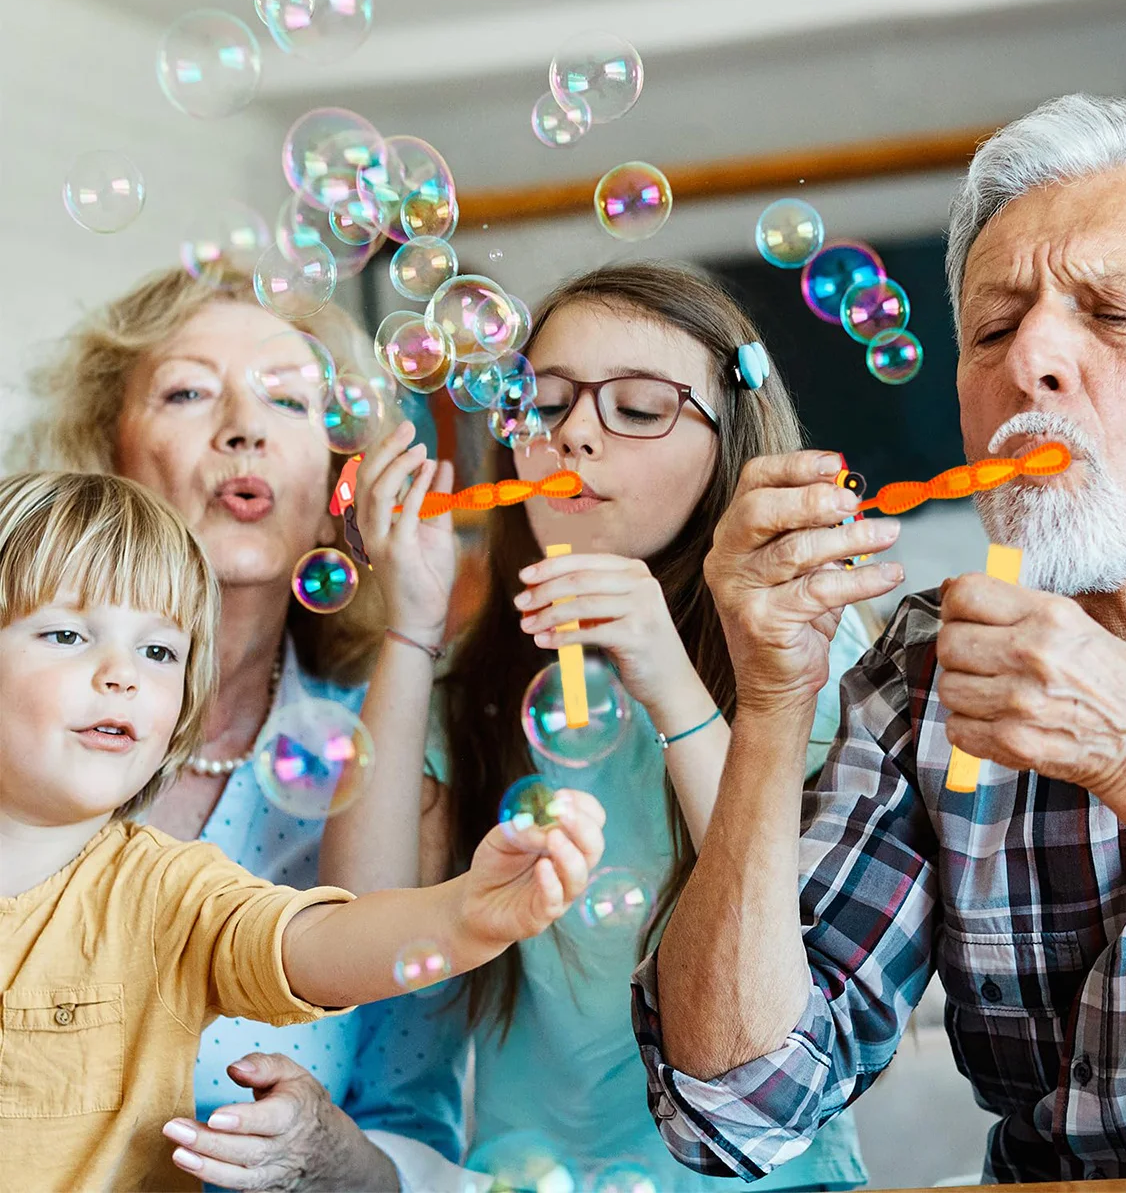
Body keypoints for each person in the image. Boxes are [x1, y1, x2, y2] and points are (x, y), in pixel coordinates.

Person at [635, 92, 1126, 1184]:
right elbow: (735, 1106)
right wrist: (770, 698)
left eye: (1115, 313)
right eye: (992, 329)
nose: (1030, 356)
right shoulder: (923, 668)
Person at [321, 263, 873, 1191]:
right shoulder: (478, 678)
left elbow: (810, 933)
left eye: (641, 409)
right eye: (539, 402)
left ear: (730, 446)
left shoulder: (804, 639)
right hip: (529, 1175)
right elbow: (357, 929)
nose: (573, 432)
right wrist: (410, 626)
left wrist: (667, 680)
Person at [0, 470, 607, 1191]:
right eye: (68, 633)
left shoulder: (169, 892)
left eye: (159, 651)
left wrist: (463, 914)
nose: (121, 675)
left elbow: (314, 945)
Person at [13, 266, 454, 1191]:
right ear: (105, 449)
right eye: (187, 391)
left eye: (289, 401)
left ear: (339, 476)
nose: (244, 428)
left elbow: (414, 1139)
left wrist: (324, 1154)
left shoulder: (388, 774)